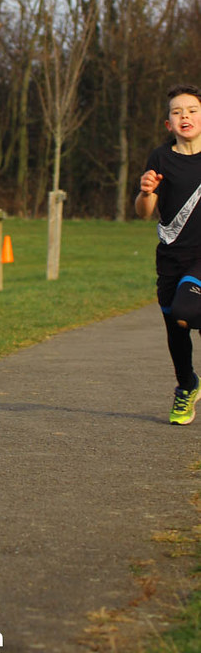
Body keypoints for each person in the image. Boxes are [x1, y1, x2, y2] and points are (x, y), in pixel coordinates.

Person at [135, 85, 201, 425]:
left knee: (186, 310)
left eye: (191, 109)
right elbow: (145, 212)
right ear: (168, 123)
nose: (185, 116)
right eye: (177, 112)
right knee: (176, 329)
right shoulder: (160, 158)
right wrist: (146, 191)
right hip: (171, 257)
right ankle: (187, 386)